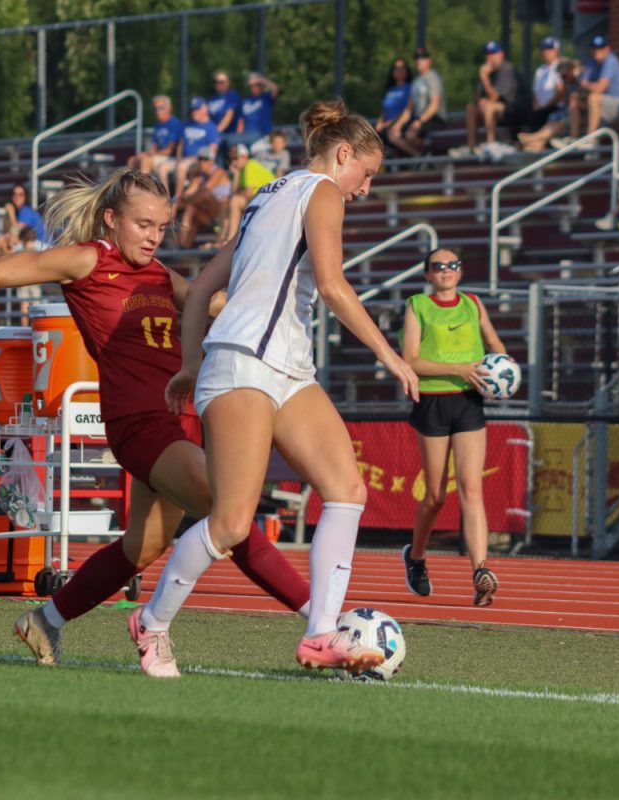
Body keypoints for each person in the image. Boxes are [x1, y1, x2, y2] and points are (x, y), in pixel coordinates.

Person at [0, 169, 310, 672]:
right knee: (230, 516)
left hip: (179, 421)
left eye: (162, 226)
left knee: (142, 549)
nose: (154, 236)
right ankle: (322, 621)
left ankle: (46, 621)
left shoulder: (158, 273)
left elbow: (214, 304)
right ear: (111, 220)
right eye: (143, 224)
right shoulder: (89, 259)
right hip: (139, 423)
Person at [136, 99, 420, 678]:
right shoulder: (322, 192)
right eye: (366, 174)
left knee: (346, 490)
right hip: (244, 364)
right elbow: (334, 286)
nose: (365, 188)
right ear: (343, 155)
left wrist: (190, 363)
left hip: (285, 367)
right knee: (232, 524)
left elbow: (200, 292)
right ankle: (152, 623)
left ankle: (320, 635)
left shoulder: (268, 195)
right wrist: (390, 356)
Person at [399, 248, 506, 604]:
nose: (446, 271)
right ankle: (415, 558)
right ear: (428, 274)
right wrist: (459, 369)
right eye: (438, 266)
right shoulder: (418, 305)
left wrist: (503, 375)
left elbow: (494, 344)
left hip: (468, 401)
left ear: (460, 272)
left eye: (452, 265)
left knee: (471, 489)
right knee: (434, 496)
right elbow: (411, 360)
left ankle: (480, 570)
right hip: (432, 401)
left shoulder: (473, 303)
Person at [463, 41, 526, 154]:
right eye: (488, 54)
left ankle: (490, 143)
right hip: (495, 111)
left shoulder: (507, 70)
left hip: (513, 112)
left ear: (501, 54)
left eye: (493, 54)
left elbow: (496, 97)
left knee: (489, 106)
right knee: (471, 108)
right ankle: (471, 146)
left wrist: (484, 77)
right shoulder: (488, 71)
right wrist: (480, 100)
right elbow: (476, 98)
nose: (490, 58)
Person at [570, 36, 619, 139]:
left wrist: (587, 84)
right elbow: (582, 84)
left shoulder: (611, 61)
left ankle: (589, 139)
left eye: (600, 48)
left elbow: (599, 88)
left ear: (607, 49)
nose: (597, 51)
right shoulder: (591, 62)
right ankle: (573, 139)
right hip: (606, 102)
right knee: (574, 97)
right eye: (594, 48)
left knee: (594, 98)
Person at [388, 46, 446, 157]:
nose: (419, 61)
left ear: (429, 60)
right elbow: (409, 108)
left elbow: (435, 106)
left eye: (422, 58)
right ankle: (419, 156)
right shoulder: (416, 81)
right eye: (417, 58)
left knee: (410, 135)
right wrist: (398, 125)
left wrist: (419, 121)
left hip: (435, 118)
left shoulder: (433, 77)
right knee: (392, 134)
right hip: (419, 119)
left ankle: (430, 151)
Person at [214, 143, 276, 247]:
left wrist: (233, 196)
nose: (233, 162)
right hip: (261, 200)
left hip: (269, 201)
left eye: (235, 158)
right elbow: (234, 192)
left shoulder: (251, 165)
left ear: (244, 157)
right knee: (226, 204)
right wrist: (236, 175)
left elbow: (248, 193)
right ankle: (220, 240)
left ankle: (230, 241)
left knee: (234, 201)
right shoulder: (242, 170)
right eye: (231, 159)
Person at [161, 97, 219, 201]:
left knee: (182, 167)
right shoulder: (187, 123)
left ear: (205, 109)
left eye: (197, 109)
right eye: (192, 110)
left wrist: (198, 158)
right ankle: (165, 198)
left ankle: (177, 199)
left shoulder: (211, 127)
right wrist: (179, 157)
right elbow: (181, 144)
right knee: (163, 167)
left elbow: (212, 151)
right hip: (183, 159)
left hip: (198, 161)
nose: (194, 112)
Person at [176, 152, 231, 249]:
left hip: (221, 213)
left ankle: (178, 208)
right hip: (208, 215)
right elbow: (190, 192)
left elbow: (206, 189)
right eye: (200, 160)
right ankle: (182, 246)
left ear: (211, 161)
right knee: (190, 208)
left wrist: (182, 202)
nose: (202, 163)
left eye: (205, 160)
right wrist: (187, 192)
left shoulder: (219, 172)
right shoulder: (199, 175)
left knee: (206, 195)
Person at [130, 95, 184, 177]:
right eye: (155, 109)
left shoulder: (175, 124)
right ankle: (128, 187)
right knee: (133, 160)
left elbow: (169, 151)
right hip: (159, 156)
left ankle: (144, 188)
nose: (157, 111)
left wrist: (151, 154)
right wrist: (146, 153)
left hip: (170, 158)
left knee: (145, 161)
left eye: (161, 108)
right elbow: (154, 147)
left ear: (169, 108)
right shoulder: (158, 125)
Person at [375, 58, 413, 139]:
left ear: (407, 71)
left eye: (402, 68)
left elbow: (408, 110)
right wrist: (380, 122)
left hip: (400, 125)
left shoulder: (410, 88)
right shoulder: (390, 89)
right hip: (385, 126)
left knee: (392, 136)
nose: (399, 70)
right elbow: (384, 109)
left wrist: (389, 123)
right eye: (396, 68)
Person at [207, 70, 243, 136]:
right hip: (215, 135)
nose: (218, 84)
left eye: (221, 82)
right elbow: (207, 117)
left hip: (229, 135)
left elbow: (229, 116)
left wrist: (215, 132)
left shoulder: (232, 96)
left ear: (228, 83)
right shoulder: (212, 98)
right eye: (216, 82)